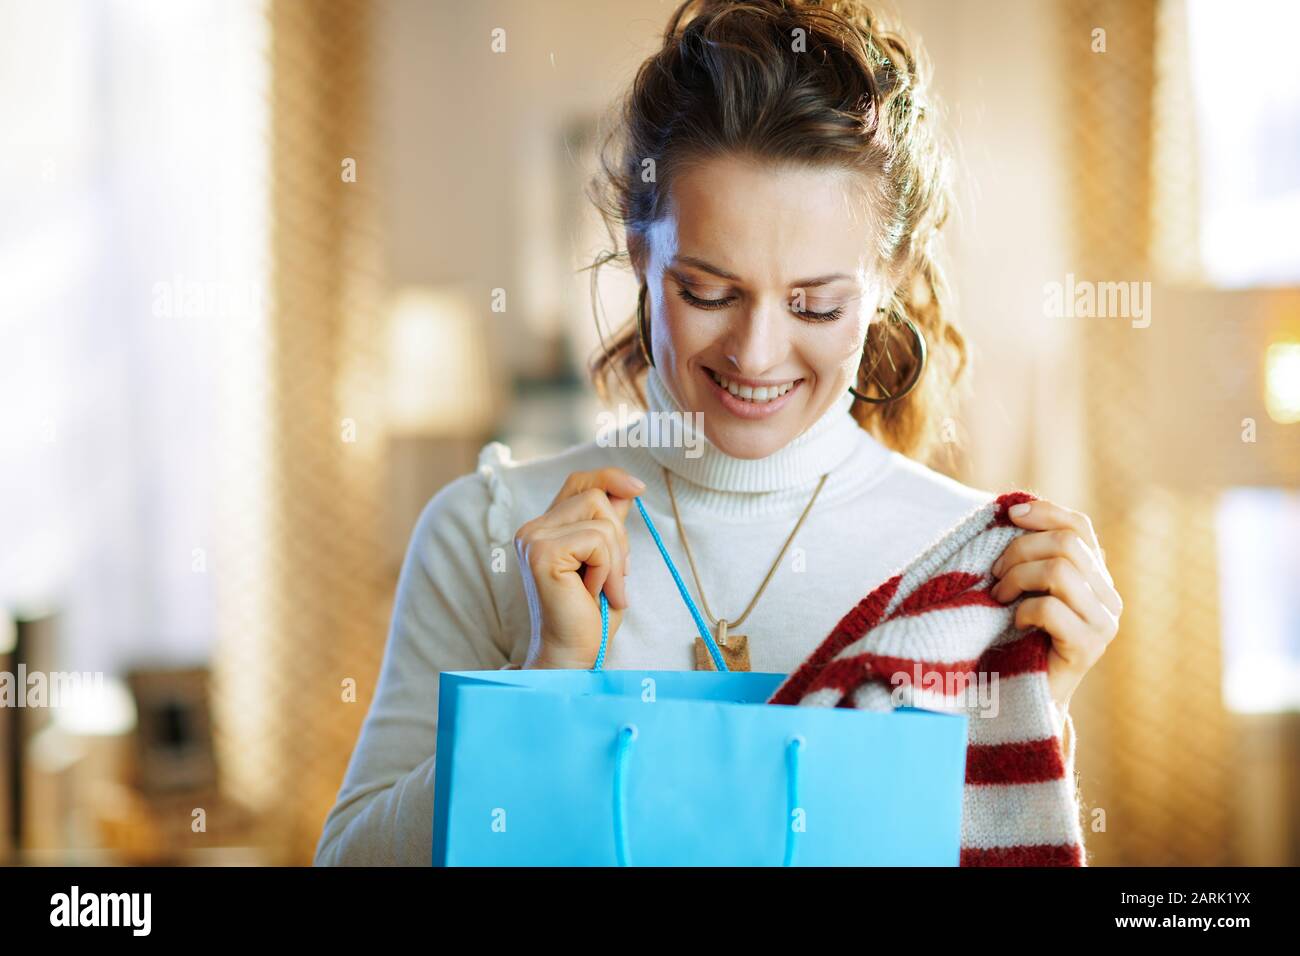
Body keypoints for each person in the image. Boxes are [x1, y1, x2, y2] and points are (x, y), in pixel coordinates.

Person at [315, 0, 1123, 866]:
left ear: (889, 278)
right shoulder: (491, 526)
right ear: (637, 251)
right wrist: (543, 684)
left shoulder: (972, 570)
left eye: (815, 303)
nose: (757, 352)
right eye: (708, 291)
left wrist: (1032, 704)